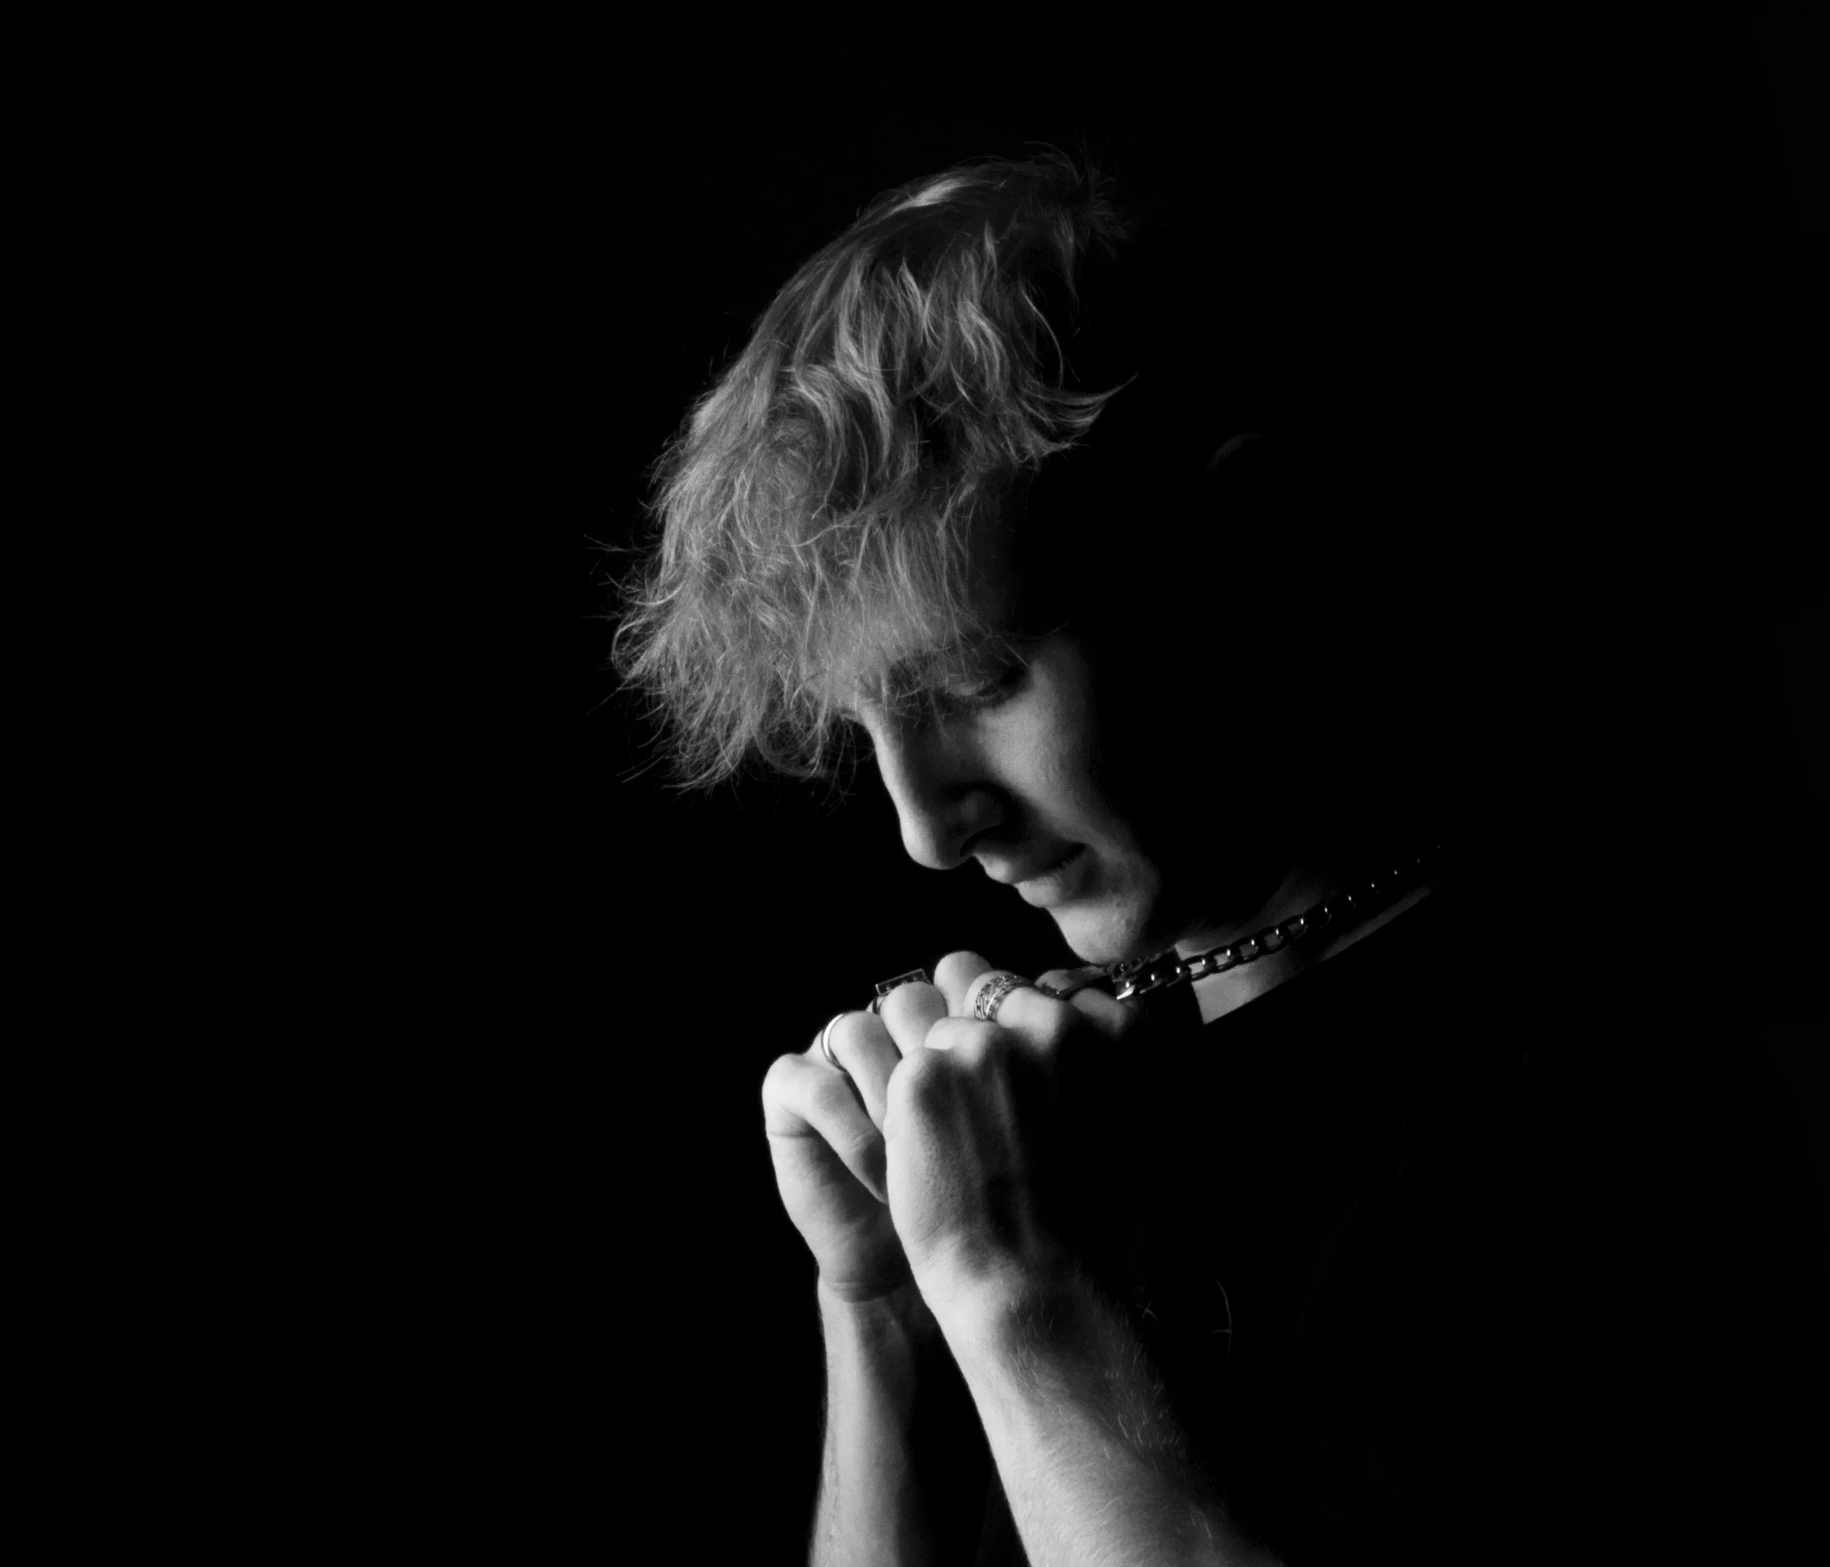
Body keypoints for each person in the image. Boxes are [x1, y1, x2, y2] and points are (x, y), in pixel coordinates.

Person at [613, 152, 1824, 1563]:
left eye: (978, 678)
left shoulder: (1604, 1105)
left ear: (1238, 554)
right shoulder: (1039, 1112)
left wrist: (1010, 1299)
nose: (928, 827)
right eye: (868, 721)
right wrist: (878, 1303)